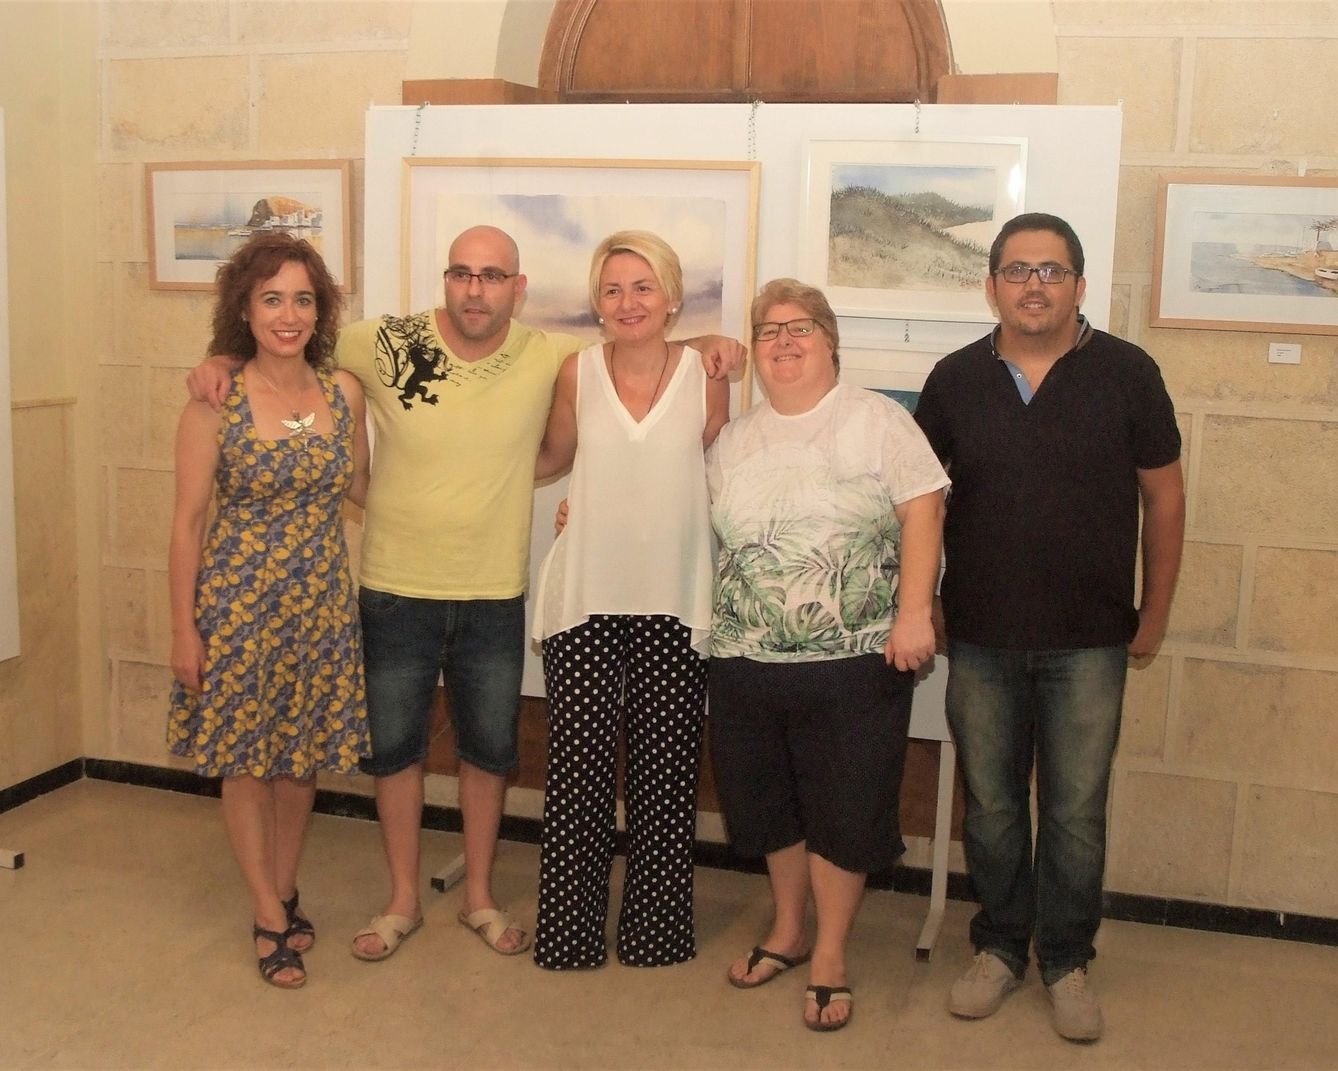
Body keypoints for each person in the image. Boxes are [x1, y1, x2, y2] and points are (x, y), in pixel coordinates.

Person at [187, 226, 743, 963]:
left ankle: (479, 896)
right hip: (392, 585)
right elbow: (289, 337)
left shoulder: (549, 354)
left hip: (493, 588)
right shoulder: (382, 342)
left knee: (488, 753)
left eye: (493, 275)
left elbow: (630, 340)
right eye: (461, 272)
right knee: (395, 753)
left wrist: (714, 341)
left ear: (518, 288)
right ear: (444, 278)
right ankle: (401, 900)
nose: (475, 288)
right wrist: (221, 356)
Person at [912, 212, 1185, 1042]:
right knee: (991, 804)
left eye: (1053, 270)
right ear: (991, 283)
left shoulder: (1129, 373)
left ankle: (1066, 957)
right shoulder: (955, 378)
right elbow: (919, 504)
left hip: (1092, 637)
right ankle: (998, 945)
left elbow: (1164, 498)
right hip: (983, 636)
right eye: (1019, 269)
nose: (1035, 284)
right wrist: (920, 603)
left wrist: (1157, 613)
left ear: (1079, 284)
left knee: (1074, 808)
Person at [705, 279, 948, 1031]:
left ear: (830, 338)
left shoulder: (877, 420)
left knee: (845, 808)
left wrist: (913, 612)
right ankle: (787, 928)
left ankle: (832, 953)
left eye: (799, 327)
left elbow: (924, 509)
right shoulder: (734, 439)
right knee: (768, 804)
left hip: (854, 660)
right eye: (767, 330)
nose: (782, 341)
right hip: (745, 658)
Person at [167, 233, 371, 989]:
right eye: (272, 298)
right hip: (238, 605)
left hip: (320, 604)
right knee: (246, 762)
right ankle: (265, 912)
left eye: (303, 299)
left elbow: (363, 490)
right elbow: (187, 523)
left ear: (321, 311)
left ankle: (285, 885)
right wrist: (184, 627)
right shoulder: (213, 402)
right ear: (245, 310)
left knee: (302, 758)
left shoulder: (342, 392)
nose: (289, 314)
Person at [528, 230, 729, 970]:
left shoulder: (707, 374)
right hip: (585, 599)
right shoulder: (575, 373)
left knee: (665, 779)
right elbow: (553, 459)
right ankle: (569, 936)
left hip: (676, 601)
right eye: (612, 289)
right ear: (596, 302)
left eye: (643, 286)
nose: (627, 302)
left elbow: (707, 472)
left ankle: (655, 935)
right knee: (575, 781)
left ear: (672, 296)